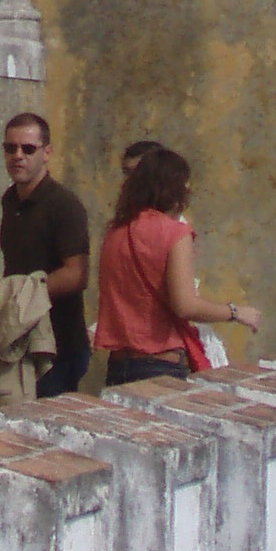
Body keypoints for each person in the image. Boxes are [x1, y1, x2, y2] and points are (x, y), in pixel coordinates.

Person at [92, 145, 261, 386]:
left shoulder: (114, 232)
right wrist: (235, 312)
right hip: (161, 362)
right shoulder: (175, 232)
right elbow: (185, 305)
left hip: (119, 363)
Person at [0, 112, 91, 399]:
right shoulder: (10, 200)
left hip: (58, 348)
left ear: (47, 153)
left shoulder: (64, 205)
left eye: (28, 149)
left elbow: (77, 274)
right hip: (19, 342)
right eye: (10, 148)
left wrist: (20, 292)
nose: (18, 156)